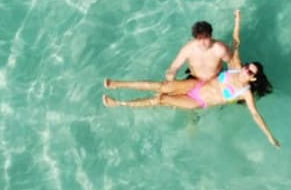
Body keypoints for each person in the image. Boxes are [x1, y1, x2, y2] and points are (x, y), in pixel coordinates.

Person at [104, 9, 280, 149]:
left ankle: (119, 104)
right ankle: (118, 84)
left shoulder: (245, 93)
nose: (246, 70)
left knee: (161, 99)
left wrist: (270, 136)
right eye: (247, 67)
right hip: (196, 83)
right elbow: (236, 42)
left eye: (250, 72)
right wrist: (237, 19)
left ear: (253, 78)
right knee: (160, 86)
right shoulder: (235, 68)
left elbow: (256, 115)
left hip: (198, 101)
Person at [164, 20, 232, 82]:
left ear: (211, 36)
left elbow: (232, 63)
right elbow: (174, 67)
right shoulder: (188, 49)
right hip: (194, 79)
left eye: (205, 38)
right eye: (199, 39)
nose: (203, 43)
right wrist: (171, 74)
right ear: (195, 38)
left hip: (216, 79)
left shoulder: (220, 49)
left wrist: (232, 77)